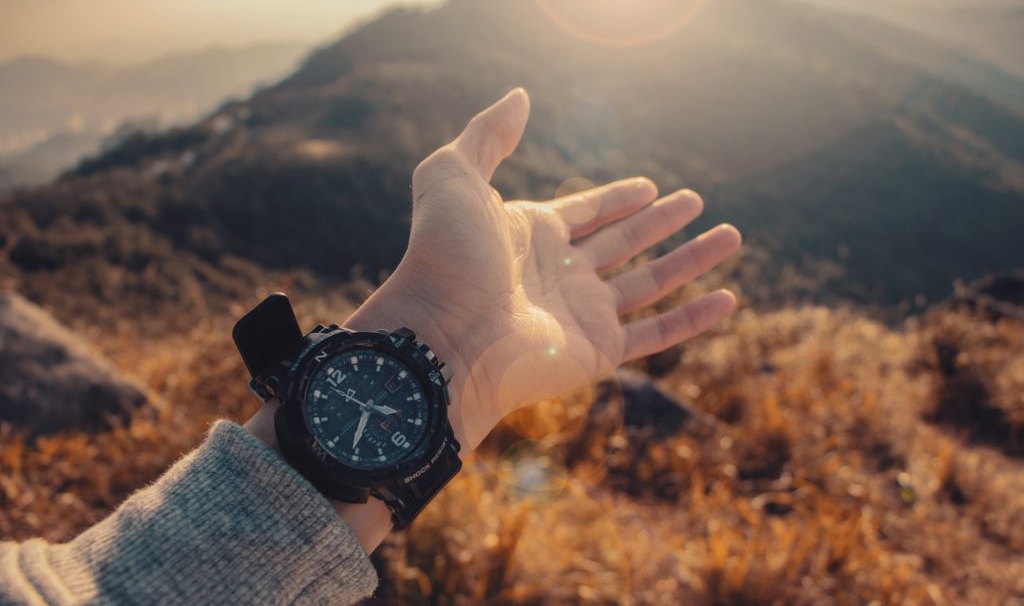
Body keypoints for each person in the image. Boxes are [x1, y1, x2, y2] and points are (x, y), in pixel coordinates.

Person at [0, 89, 741, 604]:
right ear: (291, 375)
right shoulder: (359, 406)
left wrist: (445, 328)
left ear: (292, 374)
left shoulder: (361, 411)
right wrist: (448, 329)